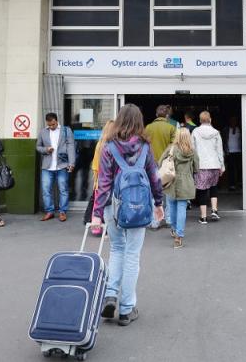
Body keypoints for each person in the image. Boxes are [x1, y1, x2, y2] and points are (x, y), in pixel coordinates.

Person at [91, 104, 164, 326]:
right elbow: (154, 178)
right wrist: (158, 203)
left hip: (113, 206)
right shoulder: (145, 147)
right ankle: (126, 309)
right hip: (138, 207)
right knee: (132, 255)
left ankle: (110, 295)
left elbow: (103, 183)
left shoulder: (108, 147)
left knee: (116, 249)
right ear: (139, 122)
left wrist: (97, 213)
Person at [160, 127, 199, 248]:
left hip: (171, 182)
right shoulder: (192, 151)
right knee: (182, 208)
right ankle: (178, 236)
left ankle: (173, 228)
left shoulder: (171, 149)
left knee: (171, 206)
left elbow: (160, 162)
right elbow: (197, 168)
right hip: (186, 182)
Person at [36, 112, 75, 221]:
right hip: (47, 167)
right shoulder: (43, 132)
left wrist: (71, 163)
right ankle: (50, 211)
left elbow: (71, 147)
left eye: (53, 124)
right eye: (49, 125)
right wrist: (46, 149)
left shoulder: (66, 131)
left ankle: (62, 212)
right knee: (45, 190)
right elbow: (38, 147)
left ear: (57, 121)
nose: (51, 127)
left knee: (63, 189)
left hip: (62, 165)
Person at [144, 104, 176, 230]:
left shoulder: (148, 128)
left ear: (156, 115)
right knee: (168, 191)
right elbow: (175, 146)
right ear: (167, 115)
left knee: (153, 193)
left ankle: (155, 221)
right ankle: (168, 219)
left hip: (151, 164)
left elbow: (144, 146)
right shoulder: (171, 128)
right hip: (166, 164)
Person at [191, 111, 225, 224]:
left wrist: (192, 165)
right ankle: (214, 210)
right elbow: (219, 150)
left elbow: (192, 149)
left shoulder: (195, 132)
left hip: (201, 165)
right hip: (214, 164)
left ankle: (203, 217)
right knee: (213, 187)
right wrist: (222, 165)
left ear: (200, 120)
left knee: (202, 190)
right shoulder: (216, 133)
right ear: (210, 119)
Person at [85, 119, 115, 237]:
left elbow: (95, 166)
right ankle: (110, 230)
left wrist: (96, 181)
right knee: (111, 207)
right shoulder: (116, 145)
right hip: (112, 181)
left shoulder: (100, 144)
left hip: (101, 182)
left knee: (100, 205)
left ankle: (97, 229)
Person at [225, 116, 242, 192]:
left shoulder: (240, 129)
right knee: (231, 169)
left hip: (239, 152)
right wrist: (225, 151)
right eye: (232, 121)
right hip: (230, 152)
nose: (233, 122)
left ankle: (240, 183)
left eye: (234, 121)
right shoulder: (226, 130)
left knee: (240, 168)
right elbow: (224, 141)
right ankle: (232, 185)